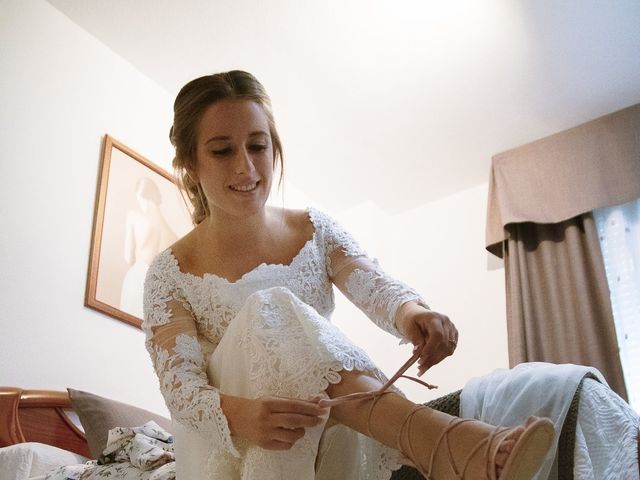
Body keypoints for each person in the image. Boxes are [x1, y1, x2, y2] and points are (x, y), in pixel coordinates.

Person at [142, 70, 555, 480]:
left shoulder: (312, 228)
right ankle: (441, 441)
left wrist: (412, 314)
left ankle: (440, 443)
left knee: (294, 351)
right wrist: (244, 415)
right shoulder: (171, 271)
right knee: (270, 306)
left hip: (317, 425)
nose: (246, 167)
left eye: (257, 146)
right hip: (233, 444)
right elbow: (181, 389)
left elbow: (368, 280)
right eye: (222, 151)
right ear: (189, 164)